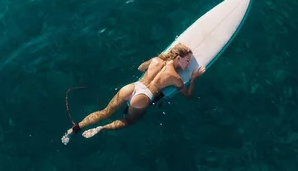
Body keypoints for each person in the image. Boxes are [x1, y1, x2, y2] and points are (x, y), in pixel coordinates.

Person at [61, 43, 205, 144]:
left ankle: (73, 129)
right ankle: (101, 128)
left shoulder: (156, 60)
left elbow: (140, 68)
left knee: (105, 112)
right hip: (143, 97)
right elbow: (188, 96)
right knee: (130, 121)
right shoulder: (176, 78)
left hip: (131, 87)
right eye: (187, 61)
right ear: (178, 58)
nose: (188, 64)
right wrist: (193, 79)